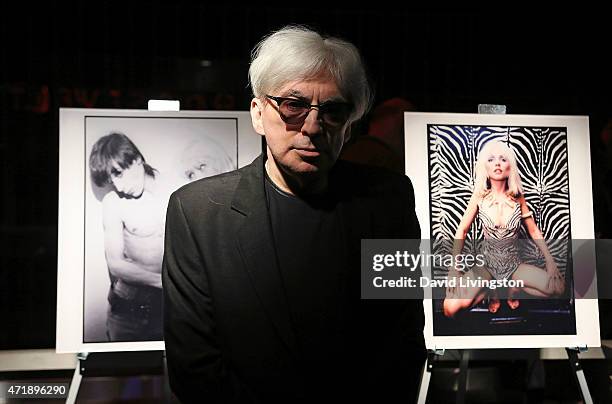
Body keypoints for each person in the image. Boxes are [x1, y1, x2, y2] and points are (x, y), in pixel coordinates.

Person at [162, 25, 425, 403]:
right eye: (293, 105)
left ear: (349, 124)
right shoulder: (197, 212)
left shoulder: (389, 200)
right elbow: (194, 368)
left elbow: (403, 343)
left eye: (333, 110)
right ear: (257, 113)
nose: (313, 126)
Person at [443, 140, 566, 318]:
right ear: (485, 166)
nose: (498, 163)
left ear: (510, 166)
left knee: (558, 288)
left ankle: (513, 289)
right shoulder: (479, 197)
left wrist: (550, 261)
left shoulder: (518, 197)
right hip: (486, 267)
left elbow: (533, 231)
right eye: (491, 159)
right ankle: (489, 291)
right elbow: (461, 230)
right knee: (450, 309)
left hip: (514, 266)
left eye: (503, 159)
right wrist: (454, 268)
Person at [89, 132, 168, 341]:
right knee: (123, 371)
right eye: (112, 179)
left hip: (167, 311)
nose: (119, 186)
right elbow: (115, 264)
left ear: (136, 159)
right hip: (125, 312)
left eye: (120, 174)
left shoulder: (171, 191)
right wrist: (167, 283)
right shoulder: (113, 202)